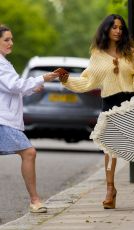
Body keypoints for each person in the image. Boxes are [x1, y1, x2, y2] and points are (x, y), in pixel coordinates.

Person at [57, 14, 134, 209]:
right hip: (110, 104)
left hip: (132, 102)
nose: (118, 31)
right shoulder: (97, 55)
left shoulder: (129, 51)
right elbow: (87, 81)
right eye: (114, 27)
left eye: (121, 28)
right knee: (110, 148)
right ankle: (110, 190)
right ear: (106, 29)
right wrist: (67, 80)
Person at [0, 24, 59, 213]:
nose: (11, 43)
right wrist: (42, 78)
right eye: (6, 40)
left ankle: (35, 200)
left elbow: (11, 90)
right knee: (29, 153)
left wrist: (33, 87)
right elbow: (15, 86)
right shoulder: (0, 64)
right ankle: (35, 201)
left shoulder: (3, 62)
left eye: (12, 39)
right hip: (2, 120)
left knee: (28, 153)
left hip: (4, 118)